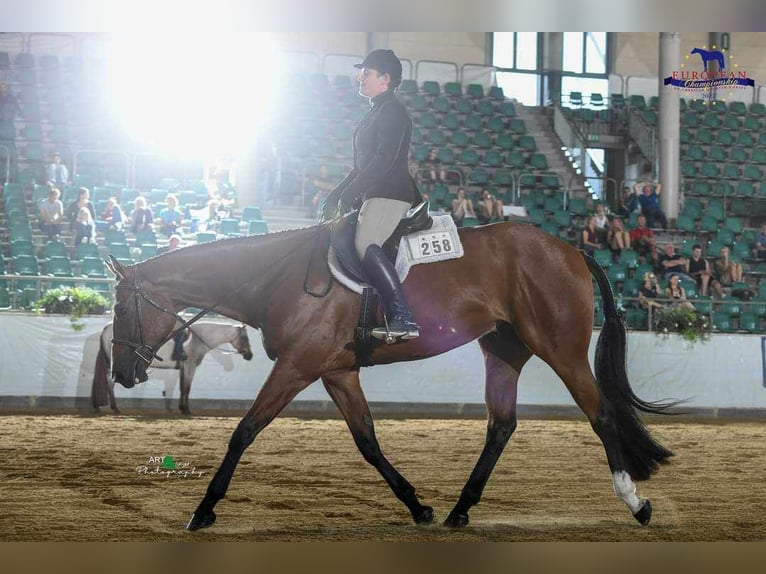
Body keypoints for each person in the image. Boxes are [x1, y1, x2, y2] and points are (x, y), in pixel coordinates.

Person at [321, 49, 423, 342]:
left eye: (366, 73)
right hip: (374, 191)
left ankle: (403, 317)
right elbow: (360, 167)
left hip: (390, 193)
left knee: (366, 242)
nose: (360, 77)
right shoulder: (375, 111)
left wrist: (351, 193)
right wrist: (337, 194)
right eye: (361, 72)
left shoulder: (393, 111)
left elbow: (384, 160)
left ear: (385, 79)